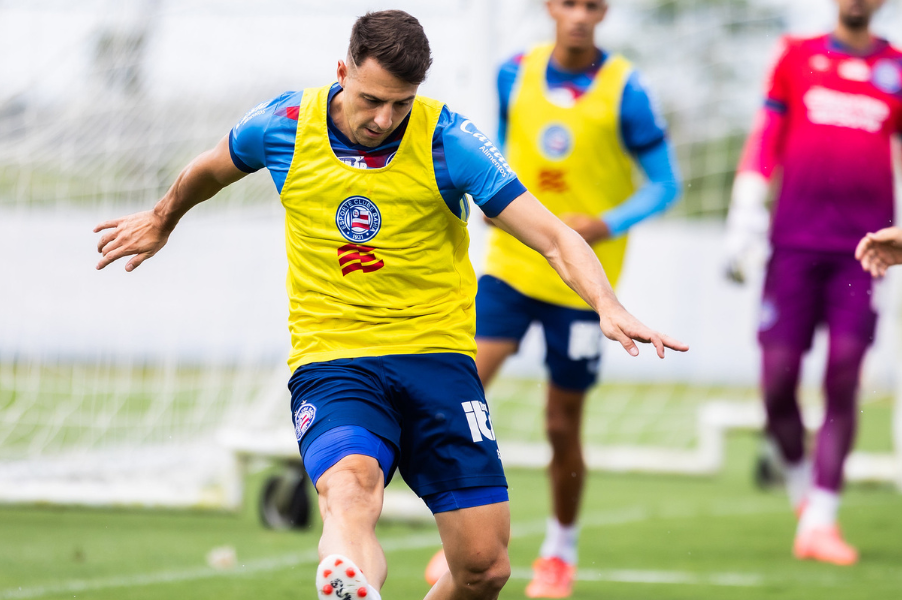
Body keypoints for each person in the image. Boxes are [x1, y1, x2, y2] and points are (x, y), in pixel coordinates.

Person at [95, 10, 686, 600]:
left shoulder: (449, 140)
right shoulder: (283, 125)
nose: (384, 119)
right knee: (351, 489)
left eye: (400, 104)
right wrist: (160, 219)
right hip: (335, 358)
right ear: (341, 71)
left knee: (485, 567)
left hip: (438, 358)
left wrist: (606, 303)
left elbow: (554, 236)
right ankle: (346, 584)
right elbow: (208, 168)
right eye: (371, 99)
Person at [423, 1, 680, 597]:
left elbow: (665, 184)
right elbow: (495, 155)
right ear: (550, 9)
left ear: (604, 12)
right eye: (569, 2)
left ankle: (560, 549)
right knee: (462, 391)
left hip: (582, 285)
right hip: (512, 268)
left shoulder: (627, 90)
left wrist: (604, 223)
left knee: (561, 425)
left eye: (592, 5)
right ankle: (461, 542)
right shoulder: (513, 73)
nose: (580, 15)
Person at [724, 0, 901, 567]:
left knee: (844, 375)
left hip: (864, 253)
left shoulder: (896, 69)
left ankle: (823, 515)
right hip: (793, 248)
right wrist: (745, 212)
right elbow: (765, 136)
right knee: (776, 383)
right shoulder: (795, 57)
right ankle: (805, 490)